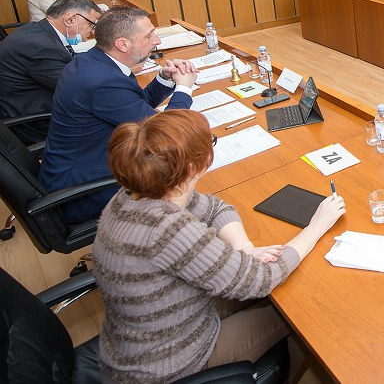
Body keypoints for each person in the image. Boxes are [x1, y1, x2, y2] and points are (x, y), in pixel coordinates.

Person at [93, 109, 347, 383]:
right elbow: (261, 279)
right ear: (192, 168)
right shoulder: (169, 230)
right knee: (301, 314)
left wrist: (245, 247)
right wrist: (316, 227)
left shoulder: (136, 195)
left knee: (281, 291)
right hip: (169, 365)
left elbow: (215, 207)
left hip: (148, 335)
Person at [39, 6, 198, 224]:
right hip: (84, 191)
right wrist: (184, 88)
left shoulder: (96, 62)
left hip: (80, 166)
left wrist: (165, 79)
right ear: (122, 44)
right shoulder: (103, 82)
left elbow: (133, 105)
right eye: (149, 35)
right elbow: (166, 134)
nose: (157, 41)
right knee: (191, 185)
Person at [0, 0, 103, 144]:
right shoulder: (41, 47)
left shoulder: (38, 31)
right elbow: (80, 88)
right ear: (70, 19)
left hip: (26, 105)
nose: (91, 32)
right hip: (37, 124)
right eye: (91, 25)